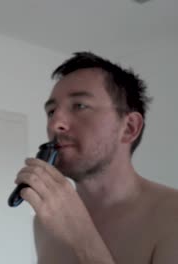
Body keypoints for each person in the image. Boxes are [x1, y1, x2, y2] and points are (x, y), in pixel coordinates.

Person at [14, 51, 178, 263]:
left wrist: (82, 238)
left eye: (80, 106)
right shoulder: (44, 222)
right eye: (52, 111)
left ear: (129, 128)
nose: (55, 124)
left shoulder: (172, 217)